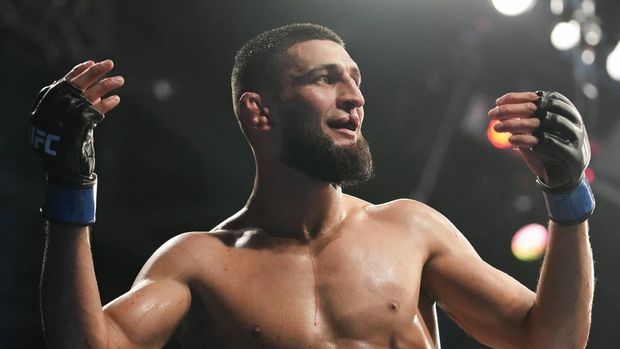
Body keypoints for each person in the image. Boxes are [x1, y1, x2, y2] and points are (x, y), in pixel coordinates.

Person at [31, 23, 595, 348]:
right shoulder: (200, 263)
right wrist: (69, 188)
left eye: (355, 79)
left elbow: (552, 340)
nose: (354, 96)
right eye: (325, 79)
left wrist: (568, 199)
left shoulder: (411, 230)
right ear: (260, 111)